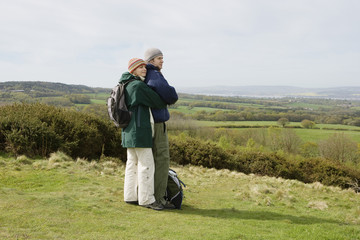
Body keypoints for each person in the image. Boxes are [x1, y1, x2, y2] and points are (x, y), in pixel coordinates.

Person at [121, 58, 167, 211]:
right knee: (146, 165)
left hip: (127, 131)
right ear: (132, 70)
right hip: (140, 131)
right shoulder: (137, 86)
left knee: (132, 165)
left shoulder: (124, 84)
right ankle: (147, 199)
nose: (144, 69)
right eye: (139, 67)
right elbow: (158, 102)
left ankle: (130, 196)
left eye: (144, 67)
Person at [144, 48, 178, 207]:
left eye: (162, 58)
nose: (162, 61)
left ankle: (149, 195)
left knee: (150, 161)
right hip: (158, 124)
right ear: (151, 61)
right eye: (159, 58)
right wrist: (171, 94)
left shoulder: (145, 74)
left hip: (148, 123)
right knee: (162, 160)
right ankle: (159, 198)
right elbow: (170, 95)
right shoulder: (154, 74)